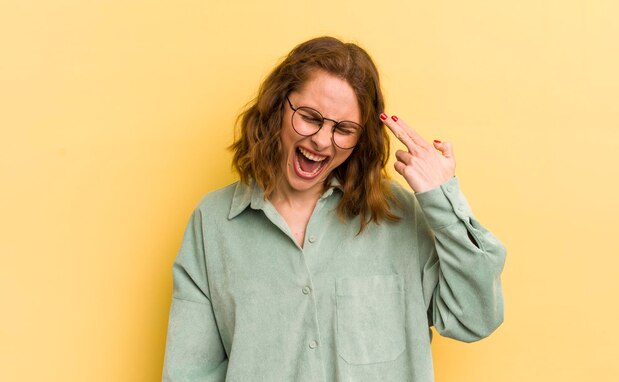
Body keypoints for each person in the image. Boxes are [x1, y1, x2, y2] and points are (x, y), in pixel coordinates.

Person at [162, 36, 506, 382]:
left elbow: (475, 318)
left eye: (343, 129)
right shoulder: (214, 222)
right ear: (278, 106)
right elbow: (189, 372)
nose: (322, 141)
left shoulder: (397, 213)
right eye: (310, 117)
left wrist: (442, 200)